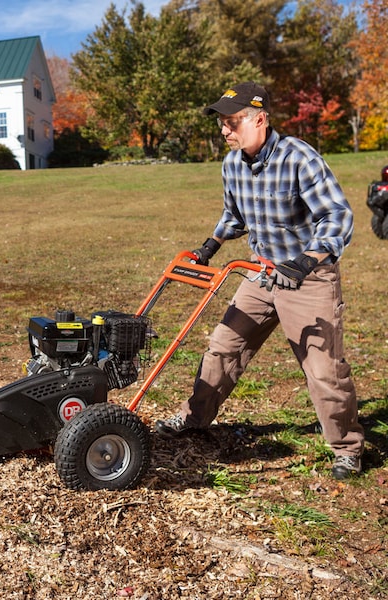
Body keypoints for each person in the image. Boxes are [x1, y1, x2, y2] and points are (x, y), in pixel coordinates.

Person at [155, 81, 364, 480]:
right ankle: (194, 417)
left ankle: (347, 447)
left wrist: (306, 260)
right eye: (222, 123)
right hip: (260, 273)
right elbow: (233, 216)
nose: (225, 130)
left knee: (323, 369)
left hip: (307, 277)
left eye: (232, 122)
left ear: (260, 119)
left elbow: (337, 216)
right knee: (223, 347)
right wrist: (209, 247)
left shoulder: (299, 158)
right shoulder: (232, 164)